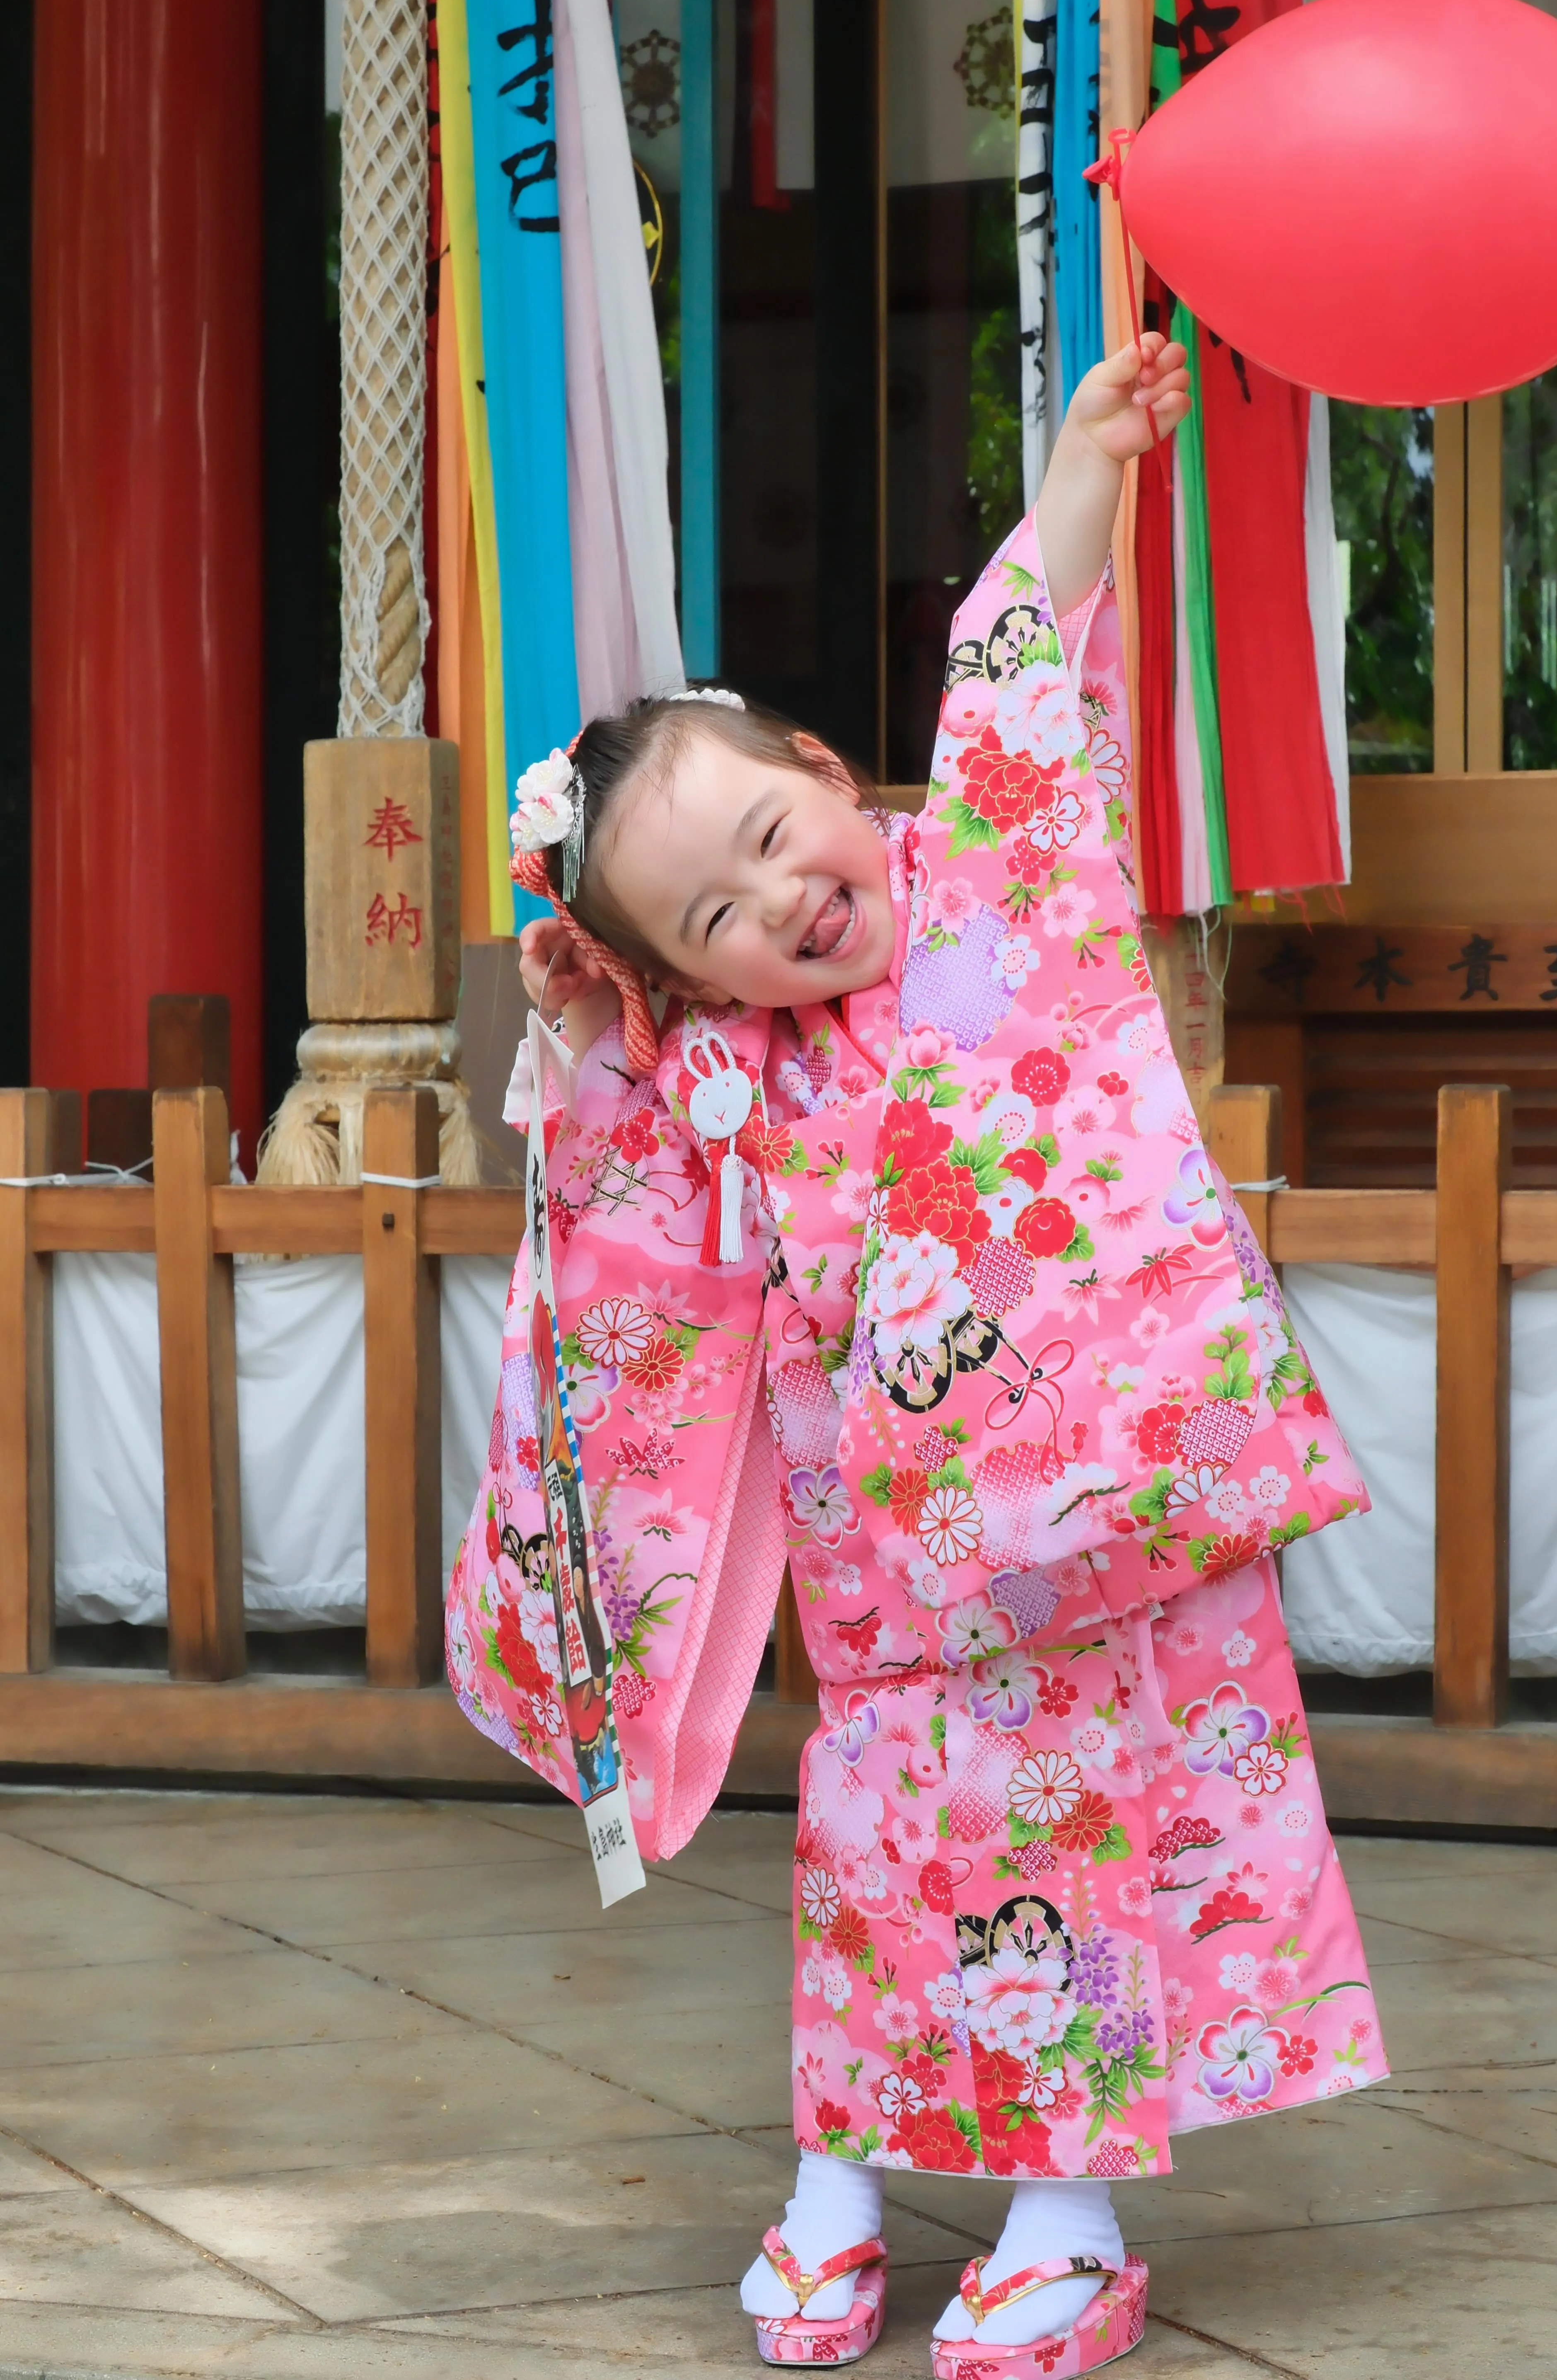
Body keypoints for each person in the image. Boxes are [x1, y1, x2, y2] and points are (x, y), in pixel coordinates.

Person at [446, 334, 1385, 2379]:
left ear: (825, 764)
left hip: (1092, 1505)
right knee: (884, 1860)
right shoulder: (712, 1073)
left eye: (786, 829)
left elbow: (1015, 668)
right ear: (681, 968)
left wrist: (1084, 468)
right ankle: (844, 2172)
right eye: (718, 910)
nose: (791, 895)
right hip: (892, 1573)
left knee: (1086, 1836)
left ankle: (1069, 2214)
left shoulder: (992, 886)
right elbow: (617, 1248)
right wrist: (602, 1024)